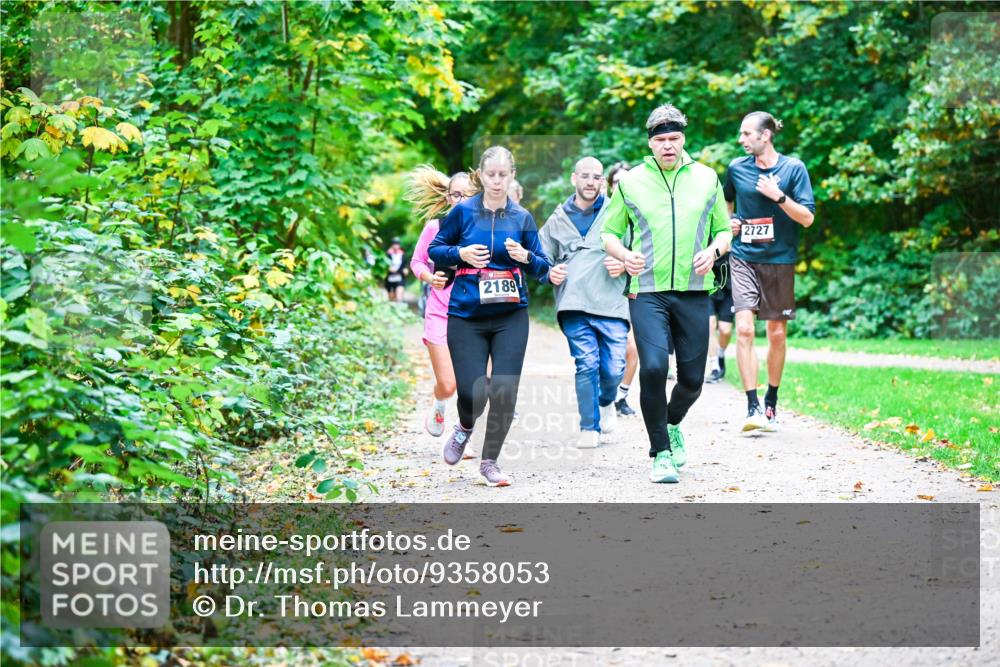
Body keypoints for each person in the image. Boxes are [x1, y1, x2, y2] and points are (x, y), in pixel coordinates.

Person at [600, 104, 731, 484]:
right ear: (651, 143)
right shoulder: (632, 182)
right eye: (661, 140)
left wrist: (715, 250)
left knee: (692, 380)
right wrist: (624, 255)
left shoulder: (707, 178)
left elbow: (724, 230)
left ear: (684, 139)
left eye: (674, 138)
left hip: (693, 290)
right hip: (648, 291)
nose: (668, 146)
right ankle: (660, 452)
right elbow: (608, 233)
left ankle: (671, 424)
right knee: (654, 368)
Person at [428, 146, 551, 487]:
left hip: (511, 314)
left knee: (505, 390)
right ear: (480, 176)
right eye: (491, 174)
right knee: (473, 393)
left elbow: (543, 268)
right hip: (466, 315)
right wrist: (460, 253)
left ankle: (490, 462)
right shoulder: (463, 213)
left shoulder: (522, 218)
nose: (497, 181)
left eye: (504, 174)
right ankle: (465, 425)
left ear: (512, 175)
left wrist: (525, 256)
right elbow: (436, 250)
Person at [725, 111, 815, 431]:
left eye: (747, 134)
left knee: (776, 334)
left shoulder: (793, 169)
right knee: (745, 330)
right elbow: (727, 204)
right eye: (741, 134)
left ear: (766, 136)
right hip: (744, 257)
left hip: (779, 260)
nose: (741, 140)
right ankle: (752, 408)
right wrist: (730, 224)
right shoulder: (737, 168)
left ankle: (771, 401)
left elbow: (806, 218)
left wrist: (778, 197)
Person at [538, 157, 629, 449]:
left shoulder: (617, 211)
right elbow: (540, 258)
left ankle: (606, 402)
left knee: (614, 368)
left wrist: (625, 263)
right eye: (586, 176)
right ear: (574, 179)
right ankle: (588, 426)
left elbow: (640, 247)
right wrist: (549, 273)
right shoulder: (557, 219)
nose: (591, 182)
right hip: (574, 304)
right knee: (586, 363)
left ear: (603, 181)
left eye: (597, 177)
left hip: (611, 302)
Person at [406, 167, 472, 438]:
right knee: (448, 384)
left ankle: (463, 435)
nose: (461, 200)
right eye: (456, 194)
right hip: (440, 313)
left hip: (471, 316)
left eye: (468, 195)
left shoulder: (485, 230)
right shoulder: (436, 227)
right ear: (448, 198)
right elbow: (416, 261)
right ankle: (439, 401)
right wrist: (428, 277)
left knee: (470, 385)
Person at [606, 162, 640, 418]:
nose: (622, 186)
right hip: (603, 294)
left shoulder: (642, 212)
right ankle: (605, 393)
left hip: (633, 291)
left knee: (632, 345)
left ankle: (622, 395)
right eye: (617, 182)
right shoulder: (601, 213)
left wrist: (625, 265)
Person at [705, 252, 733, 383]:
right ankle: (714, 367)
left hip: (729, 287)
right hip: (709, 283)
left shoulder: (734, 232)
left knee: (725, 330)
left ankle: (720, 354)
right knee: (710, 323)